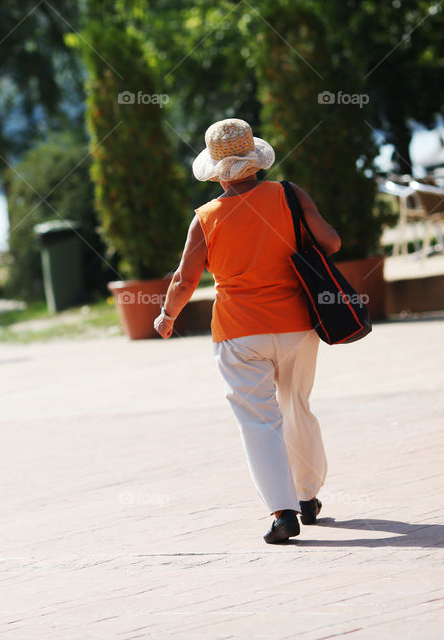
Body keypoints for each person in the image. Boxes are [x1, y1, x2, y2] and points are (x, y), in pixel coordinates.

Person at [154, 119, 341, 544]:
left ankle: (283, 513)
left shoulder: (205, 219)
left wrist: (166, 317)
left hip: (238, 333)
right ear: (256, 161)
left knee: (259, 421)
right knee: (297, 405)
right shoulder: (289, 195)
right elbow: (331, 243)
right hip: (297, 324)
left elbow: (185, 280)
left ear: (217, 171)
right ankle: (308, 497)